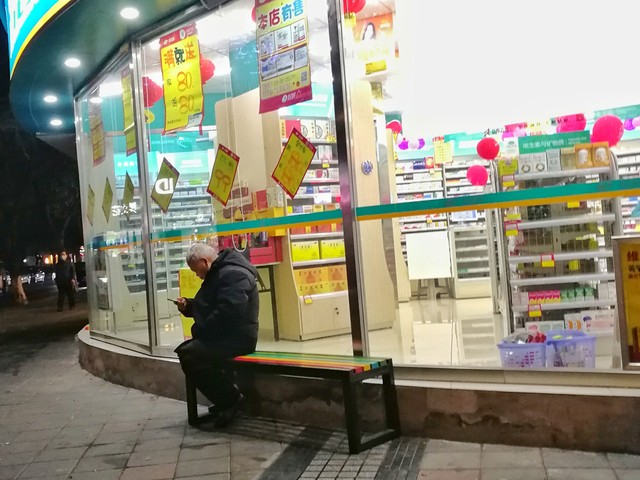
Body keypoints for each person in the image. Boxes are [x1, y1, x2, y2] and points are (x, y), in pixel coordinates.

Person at [174, 243, 259, 428]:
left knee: (189, 355)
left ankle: (231, 400)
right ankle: (225, 399)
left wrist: (202, 329)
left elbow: (228, 312)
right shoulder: (221, 272)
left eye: (196, 270)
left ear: (205, 262)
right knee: (192, 352)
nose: (197, 275)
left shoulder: (233, 274)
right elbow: (212, 305)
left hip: (237, 339)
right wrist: (189, 306)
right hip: (226, 336)